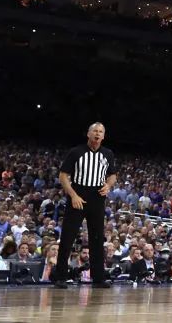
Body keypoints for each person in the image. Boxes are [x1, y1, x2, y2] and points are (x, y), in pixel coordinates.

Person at [53, 122, 117, 289]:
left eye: (100, 131)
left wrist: (108, 185)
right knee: (67, 237)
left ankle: (98, 278)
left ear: (103, 136)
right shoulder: (76, 152)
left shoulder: (108, 154)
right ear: (88, 134)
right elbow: (63, 175)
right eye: (95, 131)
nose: (97, 134)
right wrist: (73, 195)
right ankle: (60, 276)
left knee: (97, 238)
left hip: (97, 197)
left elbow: (113, 175)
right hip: (78, 194)